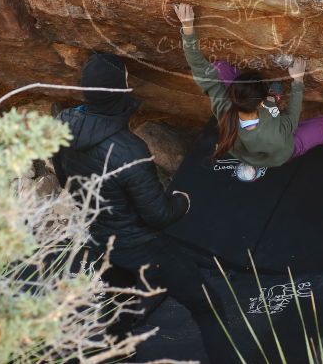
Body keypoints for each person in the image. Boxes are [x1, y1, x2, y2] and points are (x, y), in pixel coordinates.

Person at [52, 53, 235, 362]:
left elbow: (65, 179)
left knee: (118, 307)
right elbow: (158, 215)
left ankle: (116, 354)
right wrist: (183, 202)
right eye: (125, 81)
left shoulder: (62, 127)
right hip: (144, 250)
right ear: (118, 91)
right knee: (208, 306)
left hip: (101, 242)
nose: (130, 84)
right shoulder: (128, 150)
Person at [173, 2, 323, 180]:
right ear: (262, 102)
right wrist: (298, 81)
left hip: (244, 146)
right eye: (268, 97)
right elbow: (292, 116)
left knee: (219, 69)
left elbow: (199, 67)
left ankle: (252, 163)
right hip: (281, 150)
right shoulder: (275, 130)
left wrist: (188, 26)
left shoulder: (222, 104)